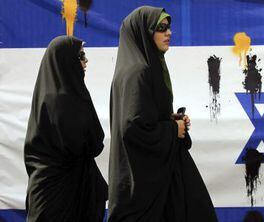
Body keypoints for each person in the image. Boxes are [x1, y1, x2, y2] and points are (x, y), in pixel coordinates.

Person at [108, 6, 218, 222]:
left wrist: (171, 120)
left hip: (155, 175)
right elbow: (132, 128)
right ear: (144, 32)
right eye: (160, 28)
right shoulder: (137, 72)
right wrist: (171, 130)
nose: (168, 33)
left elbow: (143, 114)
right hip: (144, 183)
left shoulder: (142, 67)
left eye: (168, 27)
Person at [24, 36, 107, 221]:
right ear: (65, 59)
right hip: (60, 199)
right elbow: (89, 143)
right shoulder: (62, 101)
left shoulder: (53, 95)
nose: (86, 62)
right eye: (81, 55)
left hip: (58, 194)